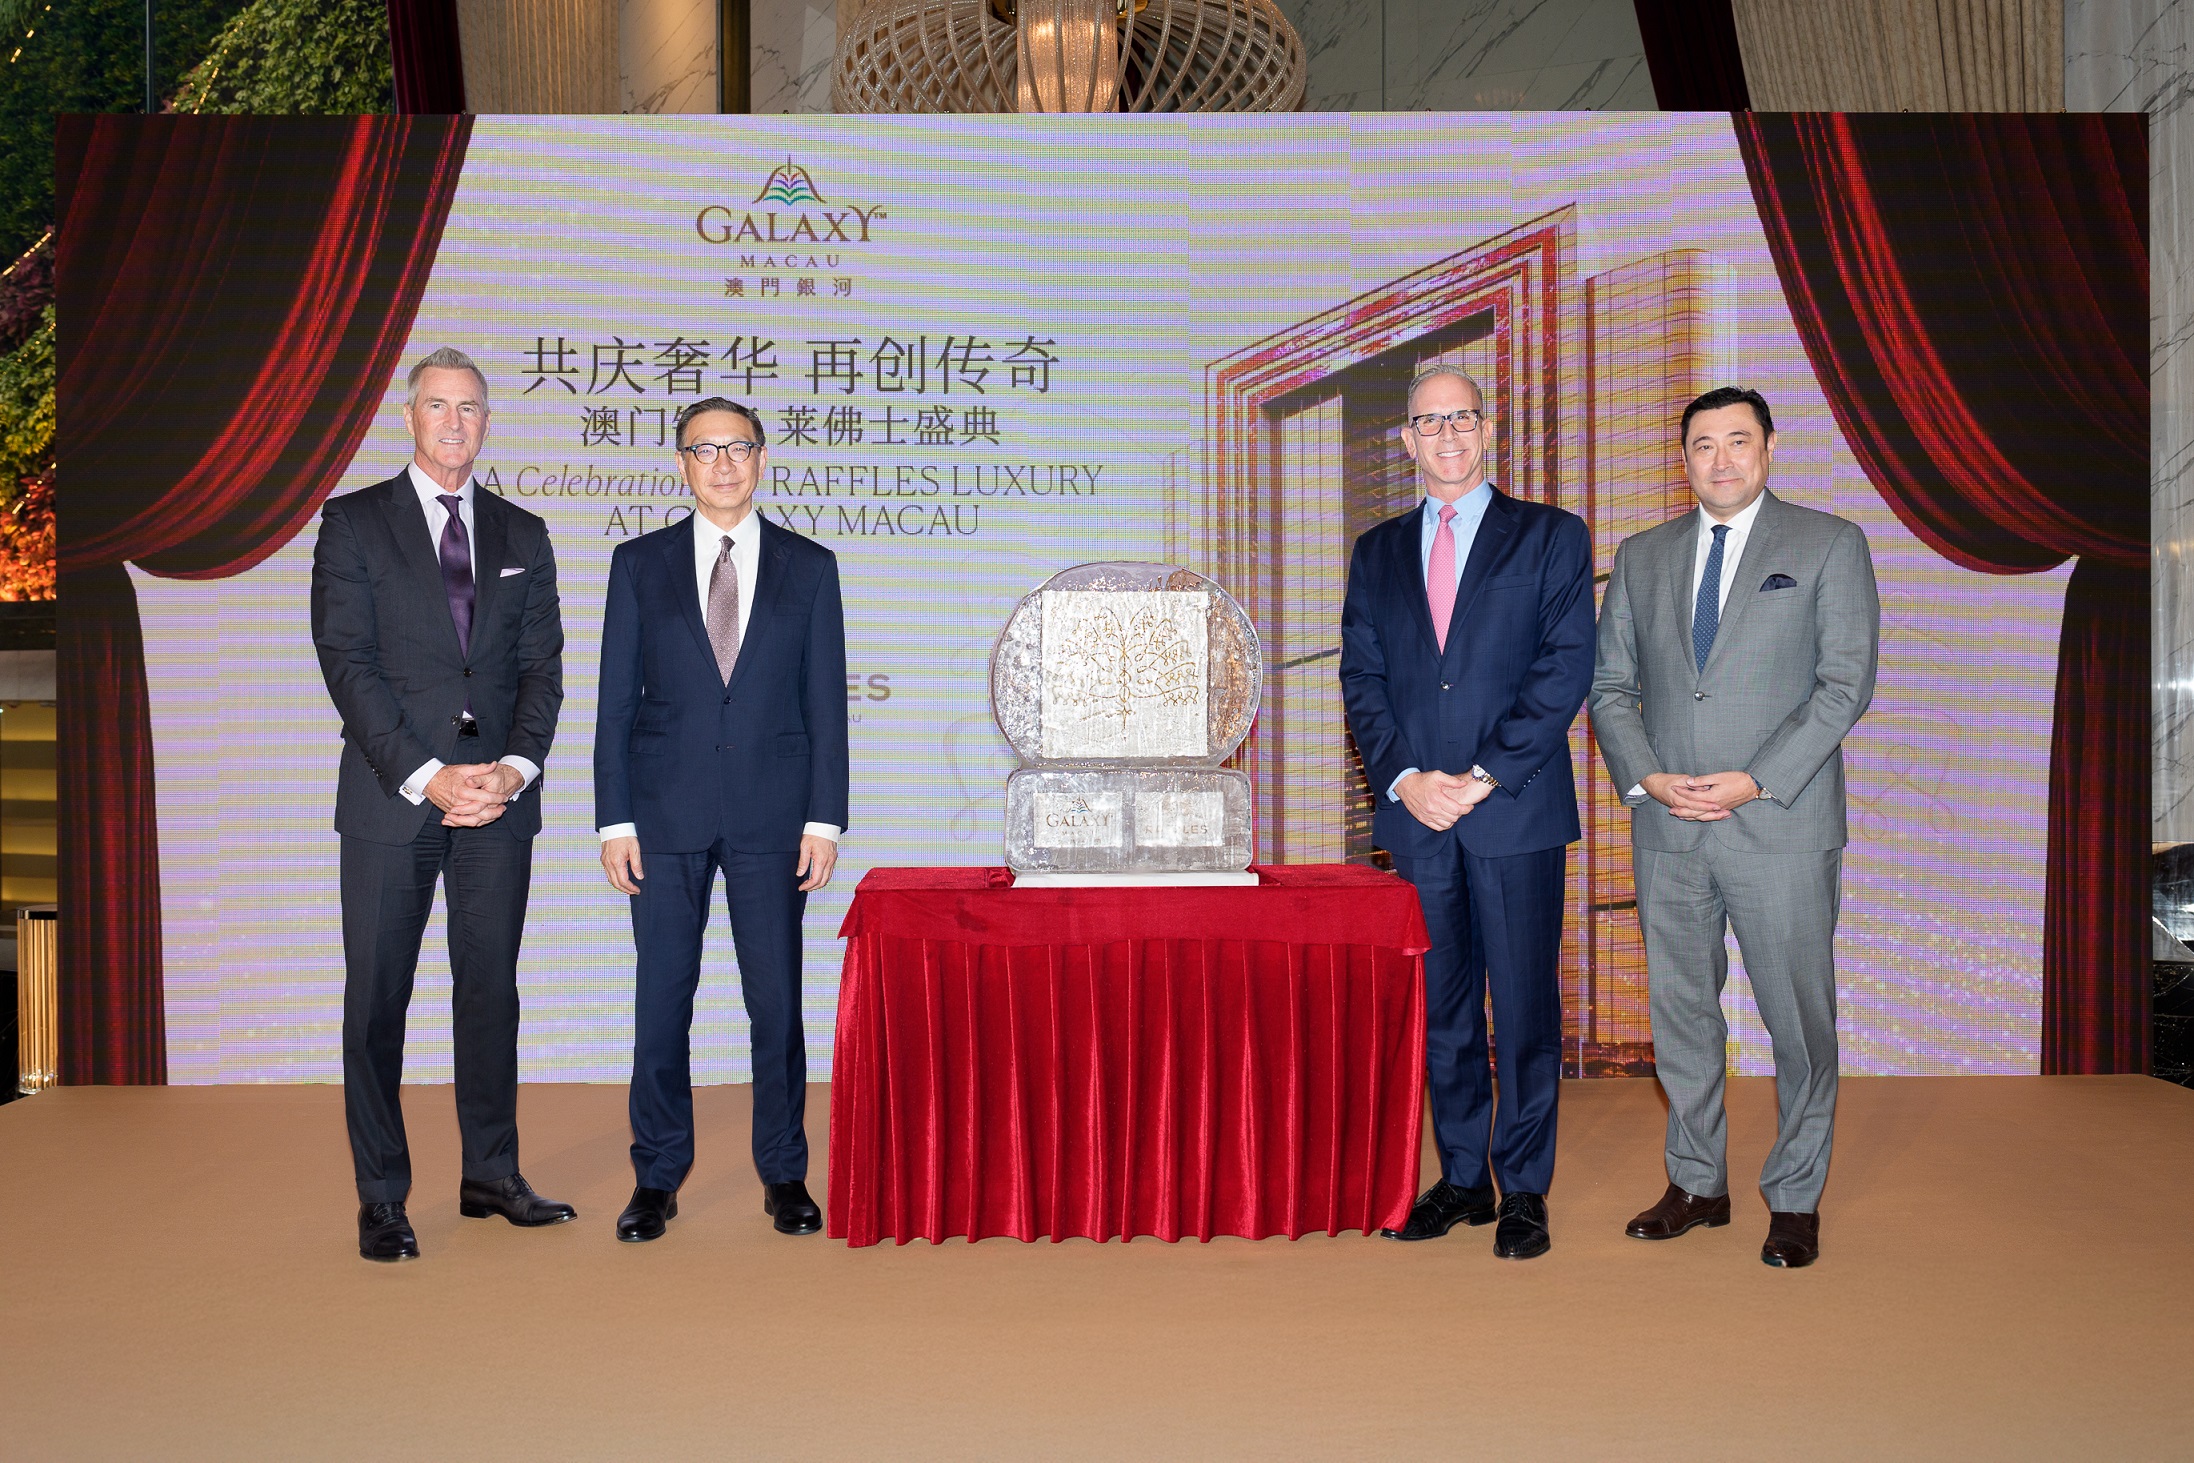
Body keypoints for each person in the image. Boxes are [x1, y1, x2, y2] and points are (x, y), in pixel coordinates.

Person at [1589, 386, 1879, 1269]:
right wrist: (1647, 776)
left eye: (1737, 441)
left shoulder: (1828, 543)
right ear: (1684, 458)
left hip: (1780, 822)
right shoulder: (1642, 557)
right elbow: (1610, 689)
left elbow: (1844, 684)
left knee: (1798, 1019)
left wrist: (1756, 780)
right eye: (1703, 444)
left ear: (1770, 448)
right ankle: (1696, 1182)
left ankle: (1793, 1196)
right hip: (1671, 826)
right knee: (1681, 1013)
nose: (1720, 458)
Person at [311, 347, 573, 1263]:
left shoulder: (523, 534)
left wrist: (512, 768)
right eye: (437, 405)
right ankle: (382, 1196)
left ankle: (490, 1173)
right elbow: (349, 665)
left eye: (470, 407)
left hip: (498, 804)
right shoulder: (352, 525)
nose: (454, 422)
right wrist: (428, 773)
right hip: (394, 802)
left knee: (490, 992)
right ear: (409, 416)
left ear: (487, 421)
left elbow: (542, 670)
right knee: (378, 1002)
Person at [1339, 365, 1594, 1260]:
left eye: (1462, 418)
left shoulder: (1551, 536)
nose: (1446, 434)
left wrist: (1480, 775)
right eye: (1428, 422)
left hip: (1513, 808)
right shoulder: (1375, 552)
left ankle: (1523, 1188)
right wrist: (1406, 778)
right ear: (1405, 441)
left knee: (1522, 1005)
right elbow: (1362, 680)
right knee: (1443, 1008)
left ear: (1487, 430)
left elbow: (1563, 670)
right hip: (1418, 818)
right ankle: (1461, 1179)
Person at [594, 396, 849, 1242]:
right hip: (663, 817)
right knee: (662, 1002)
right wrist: (612, 820)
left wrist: (826, 819)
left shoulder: (811, 567)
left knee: (775, 1004)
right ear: (681, 466)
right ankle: (656, 1177)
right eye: (705, 450)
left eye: (738, 447)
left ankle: (785, 1173)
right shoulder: (639, 564)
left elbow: (826, 706)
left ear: (763, 459)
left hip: (776, 817)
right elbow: (613, 704)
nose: (724, 463)